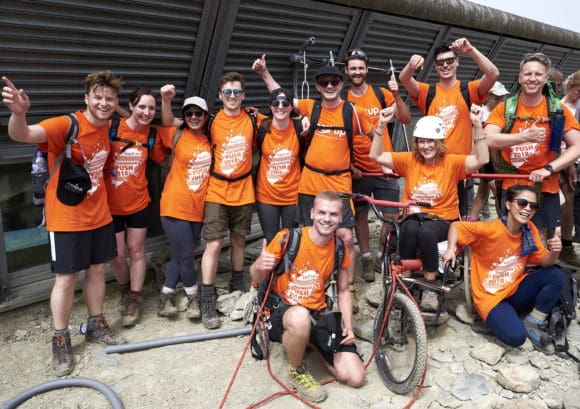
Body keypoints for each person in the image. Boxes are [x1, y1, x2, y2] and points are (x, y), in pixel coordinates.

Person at [2, 71, 126, 376]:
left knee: (98, 269)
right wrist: (19, 114)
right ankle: (60, 337)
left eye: (109, 98)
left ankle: (96, 322)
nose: (103, 102)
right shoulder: (66, 124)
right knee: (67, 279)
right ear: (86, 98)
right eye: (97, 96)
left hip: (100, 214)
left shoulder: (108, 125)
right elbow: (22, 135)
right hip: (67, 218)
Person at [252, 55, 375, 308]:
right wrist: (264, 73)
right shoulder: (312, 107)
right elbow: (281, 96)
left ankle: (346, 287)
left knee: (345, 237)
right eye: (324, 82)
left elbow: (376, 135)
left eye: (333, 82)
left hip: (340, 182)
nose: (329, 86)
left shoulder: (353, 111)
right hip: (310, 182)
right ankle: (311, 285)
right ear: (318, 86)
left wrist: (381, 162)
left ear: (341, 84)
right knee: (310, 237)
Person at [161, 73, 263, 329]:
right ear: (219, 96)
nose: (232, 96)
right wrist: (165, 101)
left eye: (236, 92)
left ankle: (236, 282)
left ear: (243, 95)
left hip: (243, 188)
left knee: (239, 239)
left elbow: (282, 116)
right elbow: (175, 122)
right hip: (217, 189)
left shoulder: (253, 118)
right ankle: (207, 296)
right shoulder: (212, 121)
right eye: (227, 92)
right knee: (214, 243)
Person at [369, 106, 489, 313]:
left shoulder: (451, 163)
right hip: (413, 216)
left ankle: (430, 287)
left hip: (442, 219)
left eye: (430, 141)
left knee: (426, 231)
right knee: (407, 228)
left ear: (439, 142)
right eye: (421, 141)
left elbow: (482, 159)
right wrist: (381, 125)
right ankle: (405, 280)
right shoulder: (409, 160)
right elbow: (376, 155)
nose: (426, 146)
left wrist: (477, 125)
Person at [249, 190, 364, 403]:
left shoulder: (339, 247)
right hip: (281, 312)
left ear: (340, 218)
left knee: (354, 377)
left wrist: (348, 325)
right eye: (322, 213)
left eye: (333, 214)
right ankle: (296, 370)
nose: (327, 219)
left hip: (317, 312)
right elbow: (257, 277)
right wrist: (258, 265)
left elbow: (343, 291)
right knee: (300, 317)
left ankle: (308, 339)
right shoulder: (288, 238)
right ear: (312, 213)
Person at [442, 185, 564, 355]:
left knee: (556, 275)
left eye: (533, 206)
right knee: (516, 338)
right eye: (522, 203)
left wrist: (555, 252)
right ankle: (505, 318)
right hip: (491, 298)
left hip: (514, 289)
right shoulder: (490, 229)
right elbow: (456, 226)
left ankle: (534, 322)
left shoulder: (530, 230)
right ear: (508, 205)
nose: (528, 209)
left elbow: (545, 262)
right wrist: (450, 249)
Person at [485, 53, 580, 243]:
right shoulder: (506, 108)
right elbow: (488, 138)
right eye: (528, 74)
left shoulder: (555, 110)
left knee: (540, 239)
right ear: (520, 78)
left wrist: (549, 168)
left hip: (546, 187)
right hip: (513, 185)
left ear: (546, 79)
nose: (533, 79)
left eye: (538, 74)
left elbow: (577, 145)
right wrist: (524, 137)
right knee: (511, 239)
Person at [399, 37, 499, 217]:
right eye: (440, 63)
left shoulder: (468, 90)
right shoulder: (427, 92)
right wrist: (411, 65)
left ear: (457, 62)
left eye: (449, 61)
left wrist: (470, 51)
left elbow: (493, 74)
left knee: (457, 221)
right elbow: (404, 79)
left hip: (458, 170)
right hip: (430, 169)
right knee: (426, 217)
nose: (445, 66)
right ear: (435, 66)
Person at [343, 49, 411, 282]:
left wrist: (396, 94)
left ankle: (382, 254)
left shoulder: (380, 94)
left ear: (367, 69)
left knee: (390, 216)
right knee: (360, 216)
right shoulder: (343, 99)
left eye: (361, 67)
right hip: (359, 169)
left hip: (385, 167)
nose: (357, 72)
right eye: (353, 68)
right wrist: (349, 164)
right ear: (346, 71)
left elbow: (405, 118)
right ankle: (366, 257)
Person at [105, 87, 169, 327]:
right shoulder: (112, 128)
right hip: (110, 206)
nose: (147, 112)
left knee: (137, 251)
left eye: (151, 108)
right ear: (131, 106)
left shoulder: (151, 136)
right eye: (142, 106)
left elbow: (163, 161)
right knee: (118, 255)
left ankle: (135, 296)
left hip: (139, 203)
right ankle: (123, 288)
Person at [153, 95, 213, 320]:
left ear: (206, 116)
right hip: (174, 205)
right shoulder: (176, 134)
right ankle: (193, 298)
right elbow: (158, 126)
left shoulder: (210, 139)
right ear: (184, 117)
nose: (194, 117)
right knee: (187, 255)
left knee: (180, 254)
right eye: (189, 114)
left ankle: (165, 297)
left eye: (198, 113)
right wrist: (165, 101)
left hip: (198, 208)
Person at [254, 88, 302, 242]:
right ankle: (273, 267)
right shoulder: (262, 126)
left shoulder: (300, 127)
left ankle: (287, 267)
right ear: (270, 106)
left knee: (290, 241)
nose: (280, 107)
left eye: (285, 103)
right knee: (272, 241)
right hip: (267, 196)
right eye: (276, 103)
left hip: (292, 196)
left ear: (291, 107)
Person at [468, 81, 510, 222]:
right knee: (496, 189)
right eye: (496, 98)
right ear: (488, 97)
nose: (499, 101)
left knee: (482, 191)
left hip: (498, 156)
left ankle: (472, 220)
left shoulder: (505, 113)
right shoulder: (479, 112)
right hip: (485, 157)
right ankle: (502, 221)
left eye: (502, 98)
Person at [559, 71, 580, 265]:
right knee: (566, 202)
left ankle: (566, 244)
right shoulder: (560, 107)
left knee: (570, 203)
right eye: (577, 90)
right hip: (561, 159)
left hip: (573, 159)